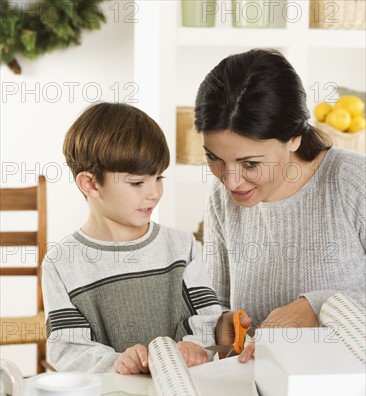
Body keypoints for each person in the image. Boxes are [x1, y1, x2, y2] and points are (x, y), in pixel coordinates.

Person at [194, 48, 366, 363]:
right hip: (258, 392)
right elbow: (215, 304)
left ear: (293, 138)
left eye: (250, 163)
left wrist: (320, 307)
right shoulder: (221, 199)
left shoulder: (354, 182)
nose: (230, 181)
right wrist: (223, 326)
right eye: (214, 157)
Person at [42, 102, 222, 374]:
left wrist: (195, 347)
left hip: (183, 394)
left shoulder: (183, 247)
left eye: (158, 177)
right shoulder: (61, 262)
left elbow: (208, 319)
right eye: (137, 183)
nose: (153, 193)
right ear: (90, 184)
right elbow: (67, 348)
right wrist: (116, 363)